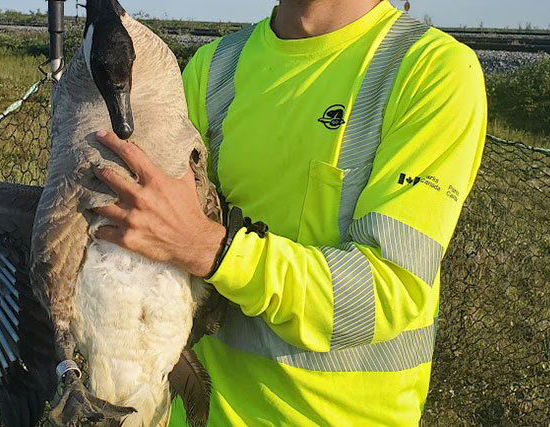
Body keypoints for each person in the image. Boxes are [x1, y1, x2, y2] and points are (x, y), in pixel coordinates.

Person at [92, 0, 487, 425]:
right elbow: (145, 232)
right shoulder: (214, 67)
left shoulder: (430, 70)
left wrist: (209, 248)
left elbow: (386, 293)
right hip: (199, 413)